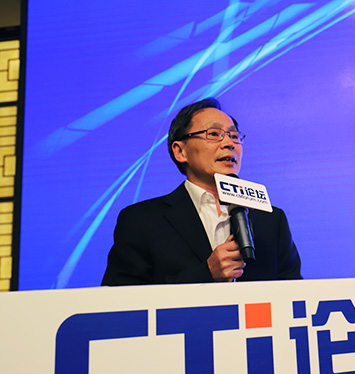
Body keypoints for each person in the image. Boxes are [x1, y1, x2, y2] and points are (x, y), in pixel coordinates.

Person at [102, 98, 301, 285]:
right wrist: (206, 273)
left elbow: (296, 294)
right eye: (213, 134)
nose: (229, 143)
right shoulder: (141, 221)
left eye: (234, 136)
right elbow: (121, 300)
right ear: (180, 151)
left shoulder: (272, 220)